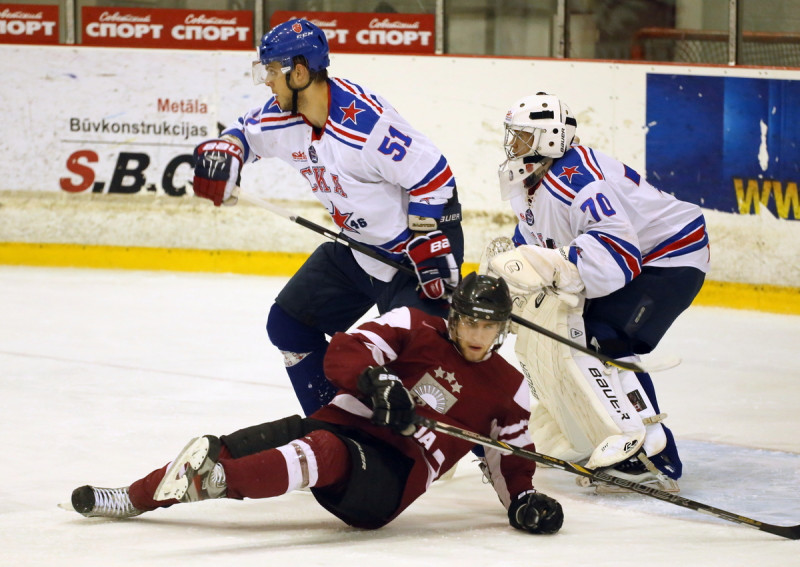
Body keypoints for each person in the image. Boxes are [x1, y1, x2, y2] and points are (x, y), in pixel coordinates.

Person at [68, 273, 563, 535]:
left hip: (388, 481)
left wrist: (523, 501)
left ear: (502, 329)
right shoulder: (415, 325)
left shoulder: (507, 388)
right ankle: (133, 497)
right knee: (229, 444)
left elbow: (511, 460)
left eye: (489, 326)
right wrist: (377, 382)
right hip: (344, 427)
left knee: (325, 449)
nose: (477, 335)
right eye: (470, 322)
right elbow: (349, 348)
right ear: (454, 317)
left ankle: (217, 484)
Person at [191, 18, 463, 416]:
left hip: (416, 251)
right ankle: (330, 426)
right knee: (288, 324)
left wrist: (425, 237)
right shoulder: (283, 116)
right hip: (361, 248)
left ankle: (476, 444)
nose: (266, 81)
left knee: (424, 369)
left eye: (271, 71)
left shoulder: (365, 125)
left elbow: (434, 176)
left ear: (299, 72)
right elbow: (244, 133)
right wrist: (227, 151)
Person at [485, 92, 709, 492]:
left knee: (603, 337)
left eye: (521, 136)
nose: (512, 145)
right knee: (558, 334)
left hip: (673, 257)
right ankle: (585, 432)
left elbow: (618, 253)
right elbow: (536, 239)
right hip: (645, 258)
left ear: (550, 139)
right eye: (512, 135)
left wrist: (555, 266)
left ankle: (654, 451)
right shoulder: (536, 178)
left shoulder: (578, 182)